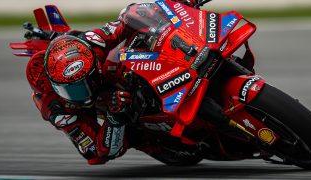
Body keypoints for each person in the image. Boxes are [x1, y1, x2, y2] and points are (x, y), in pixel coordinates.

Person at [26, 0, 202, 165]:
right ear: (56, 88)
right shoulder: (57, 110)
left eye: (86, 83)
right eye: (73, 90)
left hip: (110, 72)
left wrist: (175, 7)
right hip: (106, 113)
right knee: (100, 152)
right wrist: (114, 118)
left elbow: (127, 19)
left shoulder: (93, 43)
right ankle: (149, 141)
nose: (84, 93)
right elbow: (99, 152)